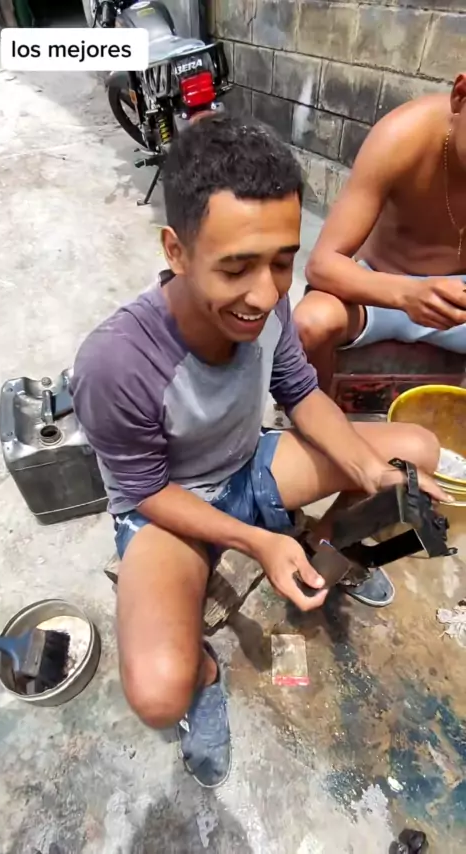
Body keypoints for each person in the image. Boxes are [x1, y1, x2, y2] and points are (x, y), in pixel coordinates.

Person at [71, 115, 447, 789]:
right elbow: (147, 490)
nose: (267, 293)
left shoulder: (268, 305)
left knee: (413, 453)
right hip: (171, 507)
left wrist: (368, 470)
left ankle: (327, 556)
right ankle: (206, 672)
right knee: (159, 691)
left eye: (282, 260)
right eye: (236, 267)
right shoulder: (115, 363)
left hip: (249, 463)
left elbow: (300, 392)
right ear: (177, 250)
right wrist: (256, 542)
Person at [294, 73, 466, 392]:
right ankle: (320, 414)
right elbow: (322, 264)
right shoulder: (402, 136)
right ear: (461, 94)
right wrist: (408, 294)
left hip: (458, 302)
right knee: (310, 324)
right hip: (379, 288)